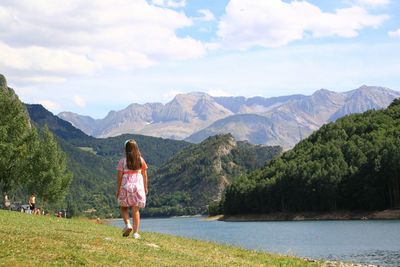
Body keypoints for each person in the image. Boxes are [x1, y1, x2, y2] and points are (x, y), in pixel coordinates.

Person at [116, 139, 148, 239]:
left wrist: (118, 190)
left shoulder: (122, 161)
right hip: (138, 187)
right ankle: (135, 233)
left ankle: (127, 224)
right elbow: (145, 175)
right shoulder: (141, 160)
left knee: (123, 207)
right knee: (136, 209)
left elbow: (120, 176)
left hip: (126, 186)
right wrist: (145, 187)